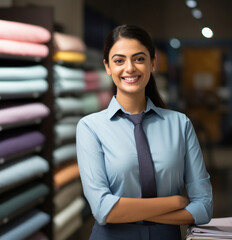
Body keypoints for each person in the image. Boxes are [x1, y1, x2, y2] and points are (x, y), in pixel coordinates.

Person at [76, 24, 213, 240]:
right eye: (119, 60)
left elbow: (203, 208)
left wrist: (127, 212)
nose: (129, 68)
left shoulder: (180, 124)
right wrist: (175, 202)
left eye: (139, 59)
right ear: (107, 67)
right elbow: (103, 209)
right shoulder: (90, 127)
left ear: (153, 62)